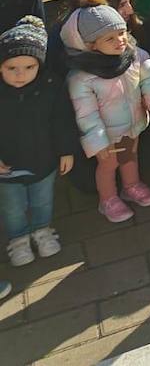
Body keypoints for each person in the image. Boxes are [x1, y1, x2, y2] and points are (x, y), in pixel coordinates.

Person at [59, 0, 150, 224]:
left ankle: (131, 186)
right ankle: (107, 199)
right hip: (107, 133)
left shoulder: (136, 56)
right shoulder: (82, 77)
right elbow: (86, 113)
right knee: (108, 165)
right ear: (91, 44)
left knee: (130, 157)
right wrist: (97, 142)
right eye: (110, 38)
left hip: (133, 123)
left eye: (121, 33)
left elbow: (149, 80)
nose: (120, 41)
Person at [0, 21, 77, 267]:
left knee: (42, 200)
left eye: (29, 67)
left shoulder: (51, 87)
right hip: (7, 167)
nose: (20, 74)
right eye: (11, 68)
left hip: (44, 160)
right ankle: (18, 238)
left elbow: (62, 121)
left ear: (40, 65)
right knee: (13, 207)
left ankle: (42, 229)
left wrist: (66, 150)